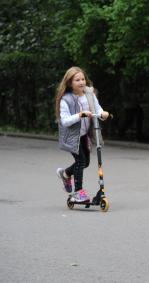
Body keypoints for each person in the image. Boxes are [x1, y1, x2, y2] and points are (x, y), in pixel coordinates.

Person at [55, 67, 109, 202]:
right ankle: (78, 193)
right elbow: (65, 121)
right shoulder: (65, 100)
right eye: (77, 80)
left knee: (86, 163)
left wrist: (103, 113)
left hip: (84, 135)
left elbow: (97, 108)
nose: (81, 82)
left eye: (83, 79)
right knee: (80, 161)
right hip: (72, 137)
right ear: (69, 83)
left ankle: (65, 174)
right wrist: (80, 115)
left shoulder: (89, 94)